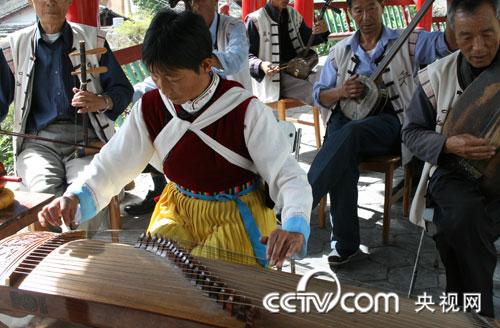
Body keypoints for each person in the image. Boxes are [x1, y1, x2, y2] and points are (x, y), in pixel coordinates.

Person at [38, 9, 312, 269]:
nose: (164, 88)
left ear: (207, 65)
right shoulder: (151, 107)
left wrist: (294, 225)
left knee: (209, 290)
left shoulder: (244, 110)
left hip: (236, 217)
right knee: (156, 275)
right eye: (156, 77)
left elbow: (286, 174)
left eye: (173, 78)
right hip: (178, 208)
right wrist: (75, 197)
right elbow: (113, 163)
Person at [308, 0, 456, 267]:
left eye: (372, 8)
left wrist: (460, 14)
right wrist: (341, 91)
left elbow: (445, 43)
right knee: (343, 154)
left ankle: (303, 199)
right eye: (359, 10)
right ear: (350, 13)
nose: (366, 16)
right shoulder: (340, 51)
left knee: (347, 138)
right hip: (346, 121)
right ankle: (345, 246)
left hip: (389, 122)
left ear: (381, 8)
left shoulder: (408, 41)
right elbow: (320, 95)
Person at [0, 0, 133, 231]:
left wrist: (101, 101)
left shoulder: (94, 39)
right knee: (42, 195)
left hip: (87, 140)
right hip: (38, 144)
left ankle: (81, 253)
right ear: (31, 1)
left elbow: (123, 90)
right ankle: (54, 259)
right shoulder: (14, 46)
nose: (50, 2)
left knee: (86, 195)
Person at [402, 0, 499, 318]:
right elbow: (412, 133)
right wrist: (448, 143)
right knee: (465, 216)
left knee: (452, 229)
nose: (479, 46)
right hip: (453, 173)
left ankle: (461, 311)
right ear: (453, 35)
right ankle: (479, 314)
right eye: (467, 37)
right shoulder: (437, 76)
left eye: (488, 33)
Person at [125, 0, 253, 216]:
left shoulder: (233, 27)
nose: (193, 5)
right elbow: (167, 74)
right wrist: (119, 96)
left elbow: (236, 59)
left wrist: (191, 55)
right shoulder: (156, 98)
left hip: (228, 110)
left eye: (198, 0)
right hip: (182, 206)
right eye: (188, 1)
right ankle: (161, 187)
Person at [245, 0, 329, 105]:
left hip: (298, 70)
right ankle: (334, 116)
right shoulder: (255, 20)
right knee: (315, 92)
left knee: (328, 80)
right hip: (275, 79)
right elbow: (246, 57)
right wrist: (261, 65)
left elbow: (308, 40)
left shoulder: (293, 14)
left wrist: (322, 31)